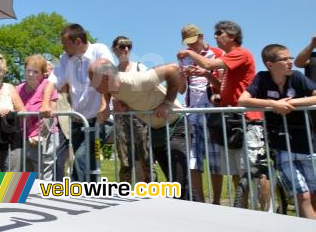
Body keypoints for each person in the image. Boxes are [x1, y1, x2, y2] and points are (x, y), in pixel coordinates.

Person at [178, 20, 270, 209]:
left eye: (219, 33)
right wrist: (209, 78)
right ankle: (242, 210)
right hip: (231, 119)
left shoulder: (239, 53)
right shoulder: (230, 57)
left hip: (247, 118)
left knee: (255, 169)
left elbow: (209, 62)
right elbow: (221, 87)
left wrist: (189, 53)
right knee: (238, 171)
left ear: (232, 36)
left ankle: (266, 212)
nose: (216, 37)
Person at [88, 59, 190, 199]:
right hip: (155, 129)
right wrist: (105, 105)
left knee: (180, 183)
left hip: (175, 127)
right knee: (168, 181)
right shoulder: (112, 86)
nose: (91, 84)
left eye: (92, 80)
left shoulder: (136, 81)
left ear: (106, 77)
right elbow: (108, 92)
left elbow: (172, 69)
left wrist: (167, 103)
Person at [239, 44, 316, 219]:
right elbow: (242, 99)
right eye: (285, 59)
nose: (291, 62)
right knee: (302, 195)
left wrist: (292, 104)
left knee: (313, 194)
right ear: (270, 64)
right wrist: (274, 104)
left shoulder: (297, 77)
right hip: (281, 145)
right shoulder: (262, 78)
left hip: (307, 143)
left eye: (291, 58)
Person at [40, 23, 115, 182]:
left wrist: (104, 104)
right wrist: (45, 103)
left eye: (65, 43)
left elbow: (107, 75)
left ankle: (75, 194)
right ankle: (93, 198)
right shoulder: (65, 58)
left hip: (100, 121)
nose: (62, 47)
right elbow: (52, 82)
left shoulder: (99, 50)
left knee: (83, 157)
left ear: (78, 41)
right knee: (91, 162)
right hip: (78, 121)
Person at [177, 24, 225, 203]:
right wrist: (182, 75)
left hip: (212, 112)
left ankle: (217, 201)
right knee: (193, 160)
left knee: (215, 160)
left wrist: (205, 74)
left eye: (194, 41)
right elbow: (181, 90)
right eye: (188, 43)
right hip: (192, 112)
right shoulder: (183, 58)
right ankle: (200, 201)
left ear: (201, 36)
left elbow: (222, 86)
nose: (192, 46)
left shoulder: (217, 54)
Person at [110, 35, 152, 184]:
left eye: (129, 46)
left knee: (145, 160)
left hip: (141, 118)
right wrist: (115, 104)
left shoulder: (140, 67)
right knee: (125, 161)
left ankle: (151, 196)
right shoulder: (111, 72)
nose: (126, 49)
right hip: (121, 120)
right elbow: (108, 96)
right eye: (122, 46)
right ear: (115, 49)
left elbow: (150, 90)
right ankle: (125, 195)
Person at [11, 55, 60, 179]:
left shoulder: (48, 87)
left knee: (44, 174)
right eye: (28, 70)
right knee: (25, 174)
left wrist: (41, 137)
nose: (31, 74)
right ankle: (25, 197)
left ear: (43, 73)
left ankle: (43, 198)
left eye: (35, 72)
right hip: (25, 137)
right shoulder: (18, 89)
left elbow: (51, 116)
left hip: (45, 136)